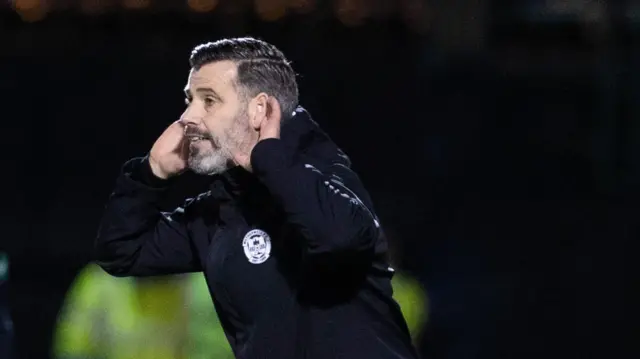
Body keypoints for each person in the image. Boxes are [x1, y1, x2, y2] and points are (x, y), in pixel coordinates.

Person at [95, 37, 418, 359]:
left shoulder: (327, 173)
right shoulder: (221, 209)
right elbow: (124, 253)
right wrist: (151, 174)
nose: (188, 117)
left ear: (259, 110)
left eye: (209, 100)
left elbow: (339, 239)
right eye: (189, 99)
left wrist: (269, 158)